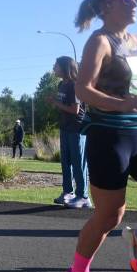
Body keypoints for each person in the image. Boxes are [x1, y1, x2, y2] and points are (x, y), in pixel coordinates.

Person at [62, 0, 137, 272]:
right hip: (109, 136)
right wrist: (119, 104)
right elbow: (82, 90)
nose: (135, 3)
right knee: (110, 215)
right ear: (107, 6)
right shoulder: (99, 42)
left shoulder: (136, 41)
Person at [51, 56, 89, 208]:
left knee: (78, 163)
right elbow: (64, 106)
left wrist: (56, 103)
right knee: (65, 162)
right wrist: (55, 102)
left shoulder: (74, 85)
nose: (53, 68)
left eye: (56, 65)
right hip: (65, 128)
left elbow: (75, 109)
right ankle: (68, 193)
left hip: (77, 129)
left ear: (65, 68)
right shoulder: (61, 84)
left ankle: (83, 196)